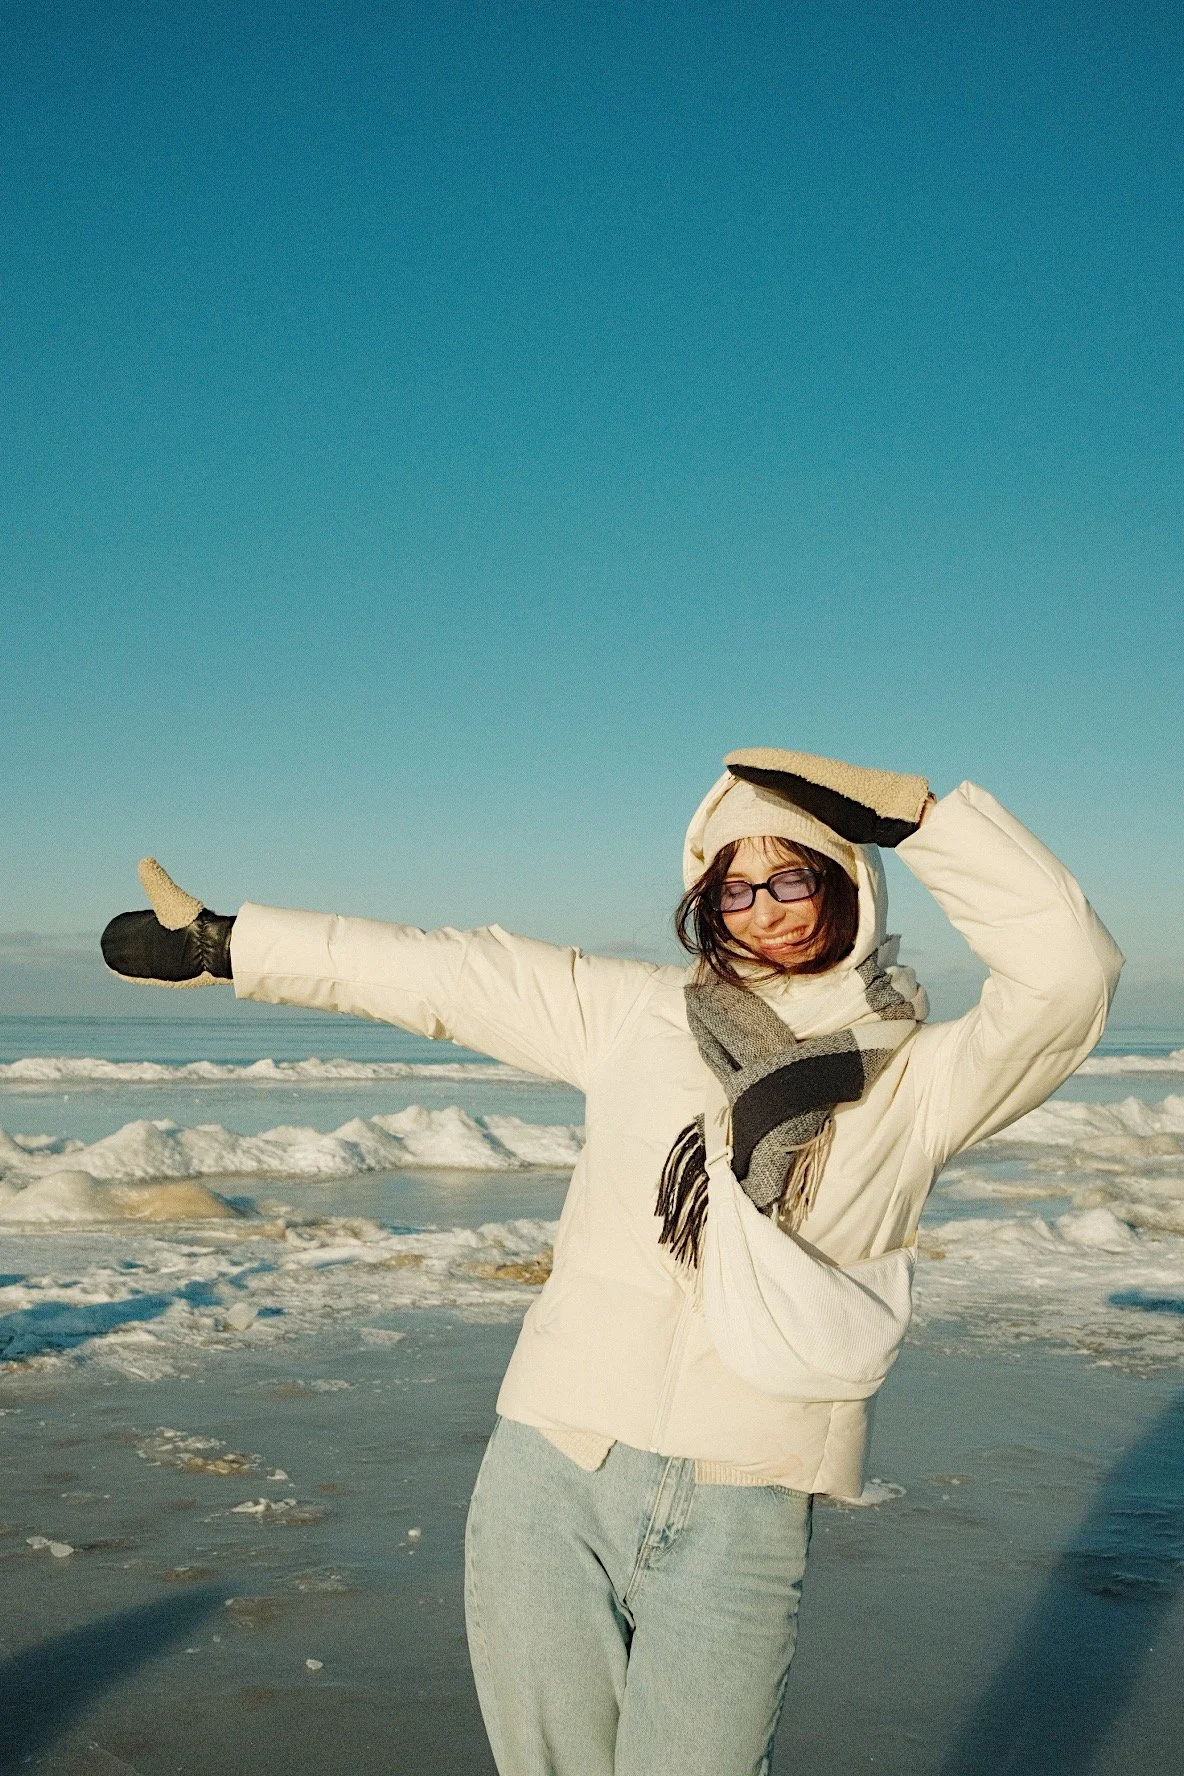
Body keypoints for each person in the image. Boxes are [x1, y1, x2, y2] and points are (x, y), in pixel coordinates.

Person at [101, 748, 1123, 1776]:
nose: (759, 908)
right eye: (731, 885)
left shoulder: (920, 1076)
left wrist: (922, 819)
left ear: (844, 882)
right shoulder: (636, 1013)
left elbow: (1069, 979)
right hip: (553, 1465)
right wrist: (233, 945)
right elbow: (447, 972)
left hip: (747, 1490)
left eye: (788, 877)